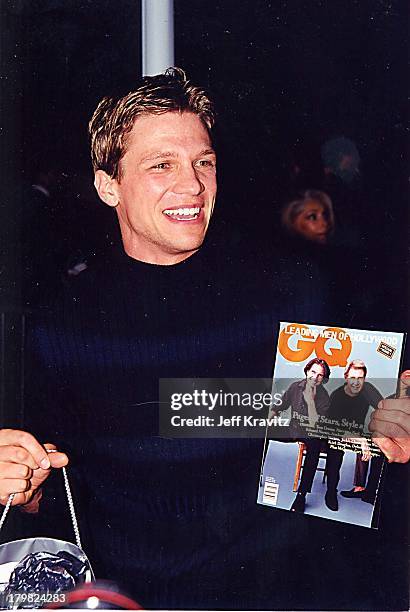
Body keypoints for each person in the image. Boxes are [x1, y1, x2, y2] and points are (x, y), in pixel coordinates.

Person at [0, 68, 409, 610]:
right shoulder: (56, 329)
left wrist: (384, 420)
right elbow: (51, 497)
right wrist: (23, 485)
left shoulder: (292, 291)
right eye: (161, 165)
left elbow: (335, 483)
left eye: (204, 162)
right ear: (108, 185)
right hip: (131, 601)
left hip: (279, 597)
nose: (192, 185)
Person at [325, 360, 384, 511]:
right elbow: (335, 428)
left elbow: (383, 407)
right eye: (352, 378)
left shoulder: (367, 389)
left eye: (360, 378)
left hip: (357, 433)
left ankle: (366, 491)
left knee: (381, 445)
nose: (356, 383)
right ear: (346, 377)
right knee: (335, 450)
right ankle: (331, 492)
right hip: (336, 433)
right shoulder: (337, 396)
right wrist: (362, 441)